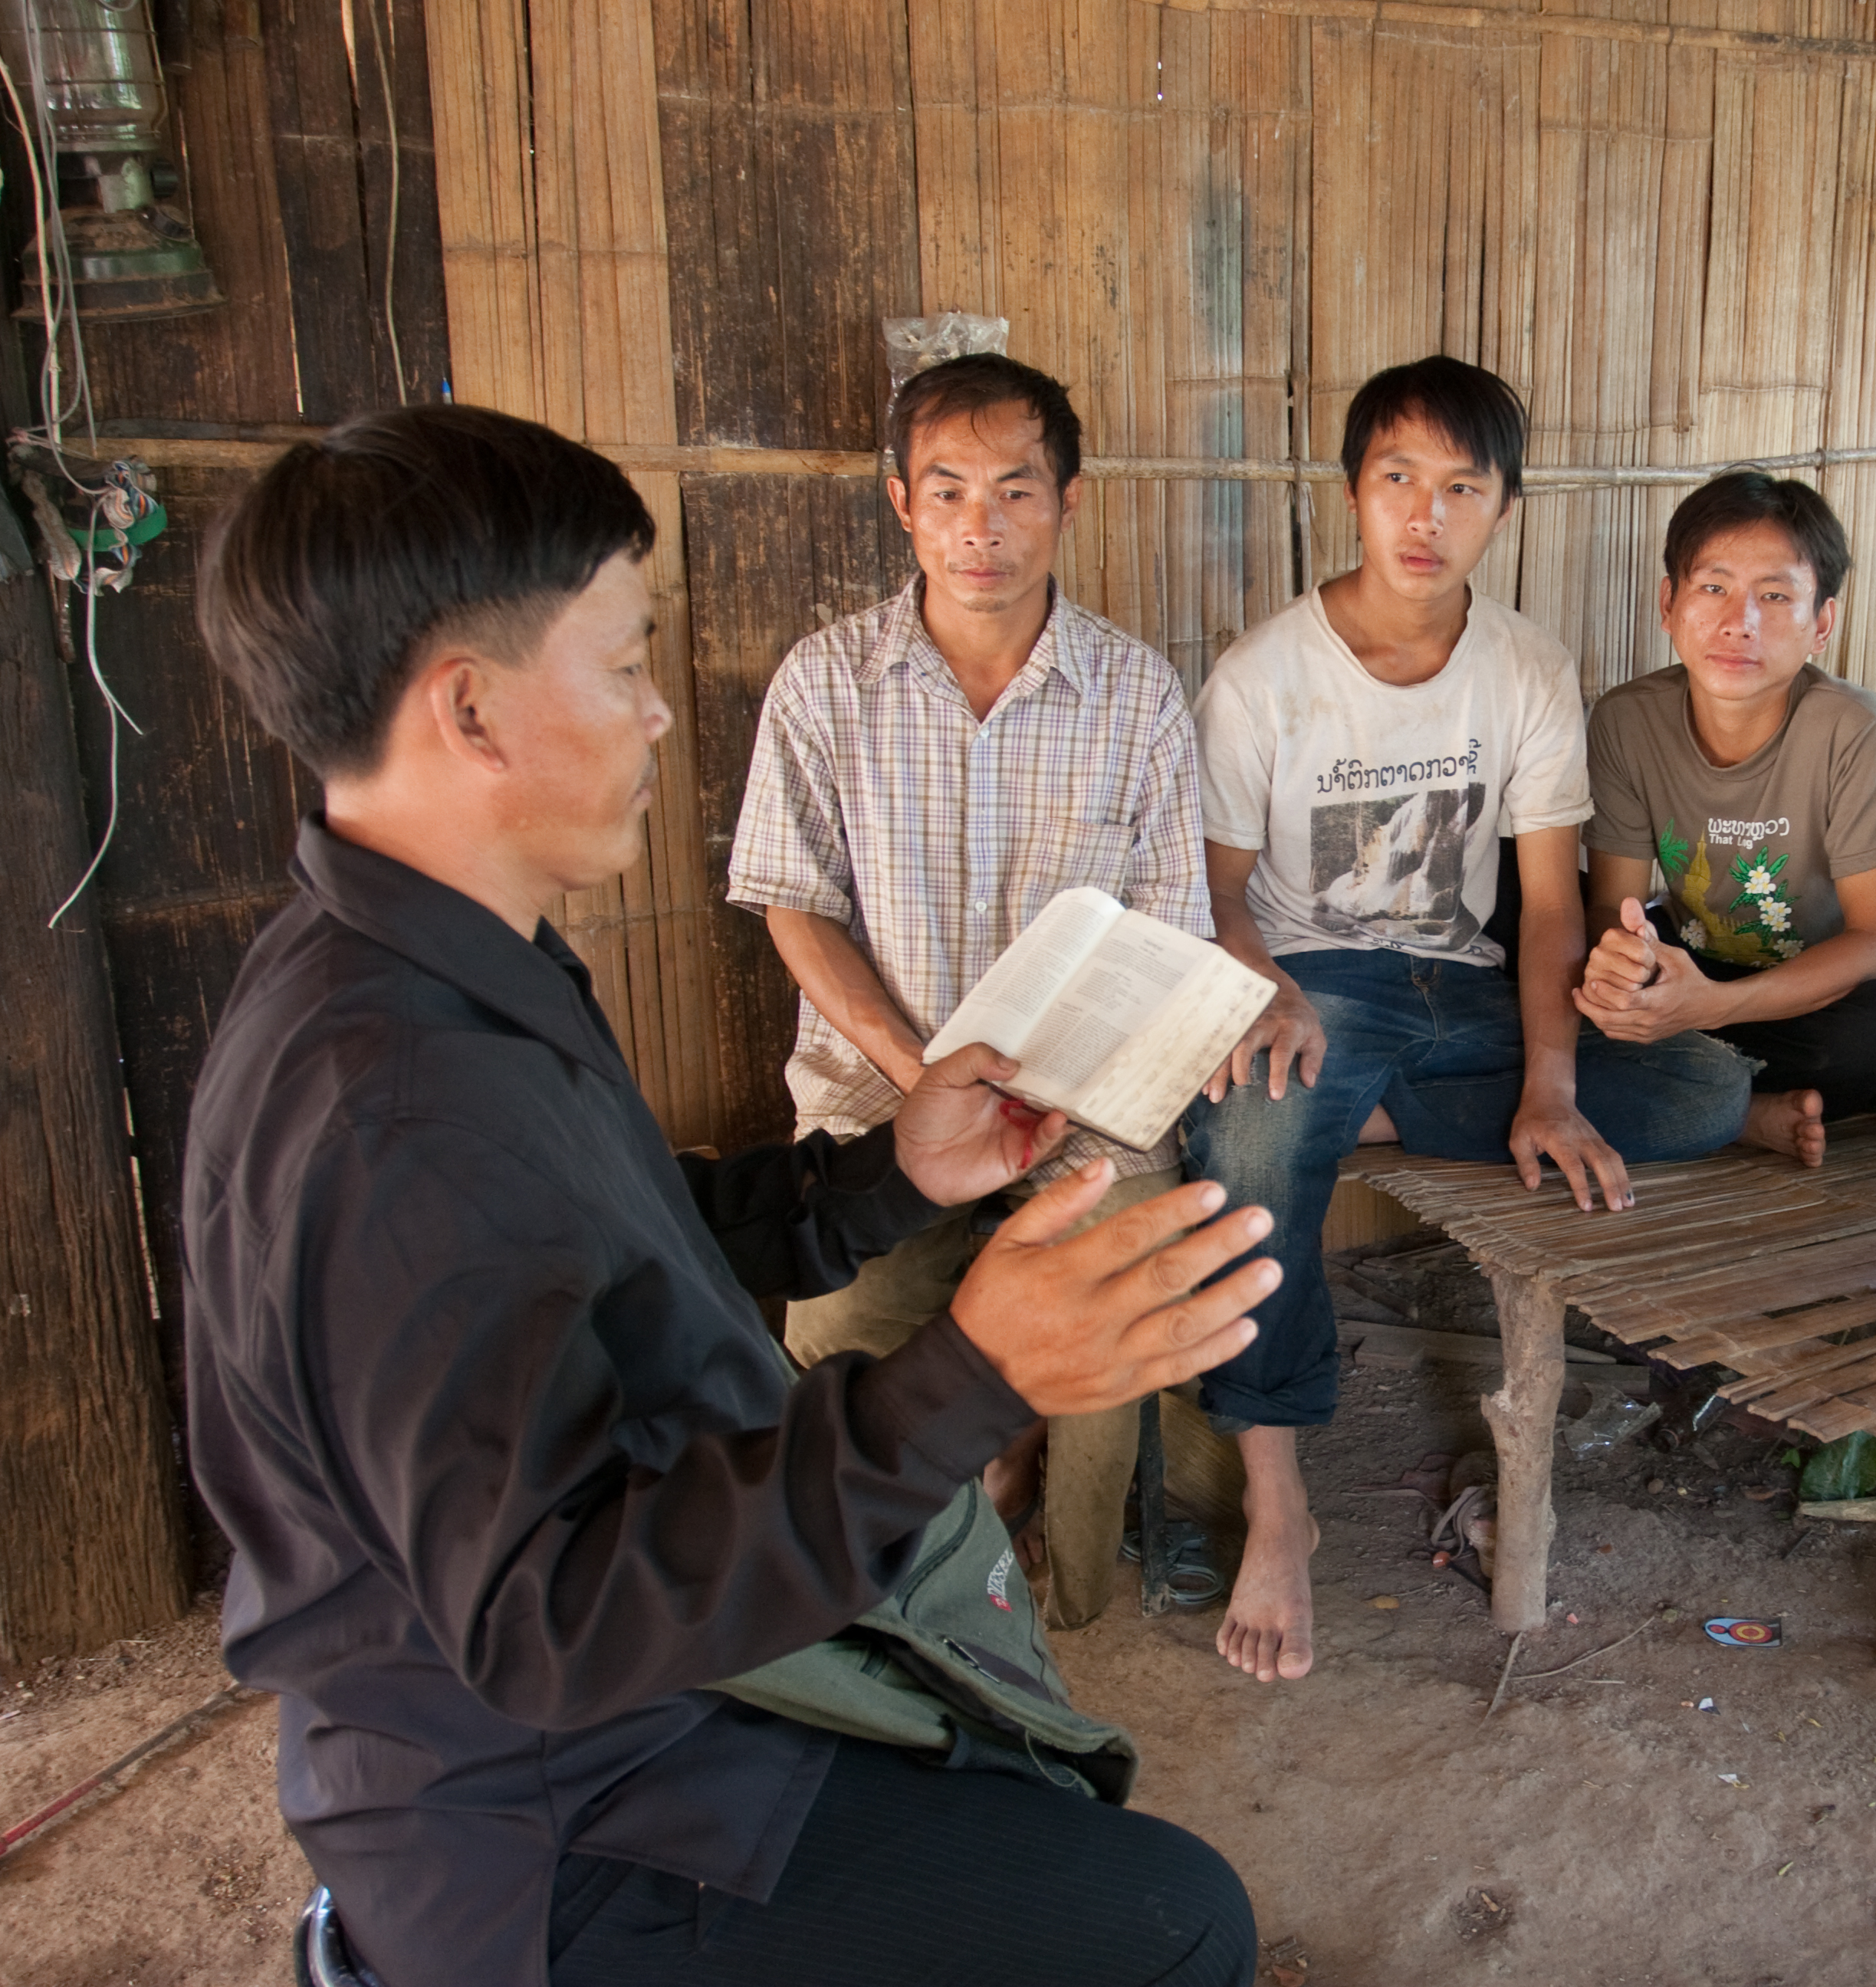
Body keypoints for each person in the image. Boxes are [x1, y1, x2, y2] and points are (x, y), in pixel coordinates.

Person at [182, 406, 1274, 1987]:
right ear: (471, 709)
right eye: (624, 667)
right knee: (1174, 1924)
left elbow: (622, 1243)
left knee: (1041, 1796)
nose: (656, 721)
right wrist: (973, 1382)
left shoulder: (435, 965)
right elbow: (550, 1625)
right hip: (556, 1816)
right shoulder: (395, 1109)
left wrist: (879, 1179)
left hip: (619, 1716)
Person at [1184, 356, 1753, 1686]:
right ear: (1350, 493)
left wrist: (1549, 1079)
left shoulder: (1525, 666)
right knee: (1252, 1146)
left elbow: (1550, 906)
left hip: (1468, 985)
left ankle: (1373, 1110)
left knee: (1700, 1091)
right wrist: (1265, 983)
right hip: (1311, 977)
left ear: (1503, 508)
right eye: (1396, 480)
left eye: (1459, 487)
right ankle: (1279, 1505)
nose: (1422, 516)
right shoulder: (1263, 675)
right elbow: (1211, 894)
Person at [728, 351, 1203, 1624]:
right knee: (834, 1347)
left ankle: (1067, 1572)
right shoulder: (827, 680)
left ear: (1070, 501)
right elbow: (794, 902)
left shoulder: (1136, 694)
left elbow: (1170, 933)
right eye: (946, 492)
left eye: (1013, 491)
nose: (979, 528)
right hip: (876, 1093)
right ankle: (879, 1577)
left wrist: (1101, 1079)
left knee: (1117, 1316)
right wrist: (915, 1073)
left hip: (1081, 1106)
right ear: (899, 503)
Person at [1575, 471, 1876, 1158]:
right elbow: (1611, 907)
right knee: (1541, 950)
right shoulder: (1628, 721)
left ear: (1822, 624)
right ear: (1669, 602)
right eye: (1713, 587)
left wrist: (1711, 1007)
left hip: (1808, 1001)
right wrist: (1630, 970)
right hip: (1684, 972)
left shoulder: (1859, 732)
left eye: (1775, 596)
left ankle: (1699, 1090)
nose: (1738, 622)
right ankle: (1744, 1111)